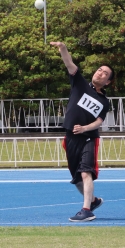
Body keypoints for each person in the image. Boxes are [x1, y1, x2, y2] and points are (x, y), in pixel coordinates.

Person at [50, 41, 115, 222]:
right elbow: (69, 64)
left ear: (108, 81)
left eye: (105, 73)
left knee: (86, 173)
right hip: (71, 137)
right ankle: (93, 201)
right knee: (77, 178)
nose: (100, 73)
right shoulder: (80, 84)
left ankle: (86, 210)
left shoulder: (104, 101)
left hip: (88, 138)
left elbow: (99, 121)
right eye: (99, 69)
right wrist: (63, 48)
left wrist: (85, 128)